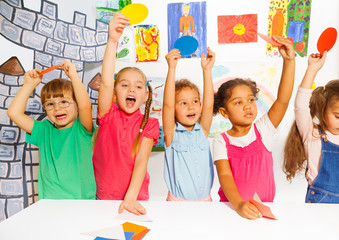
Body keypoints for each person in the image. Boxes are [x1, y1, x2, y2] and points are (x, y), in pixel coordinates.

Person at [213, 36, 295, 219]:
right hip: (231, 209)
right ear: (224, 113)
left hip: (264, 211)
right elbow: (224, 176)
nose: (247, 105)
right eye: (238, 102)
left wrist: (289, 61)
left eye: (250, 99)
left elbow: (283, 100)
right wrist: (239, 205)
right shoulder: (221, 140)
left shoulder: (263, 129)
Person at [92, 13, 159, 215]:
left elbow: (141, 163)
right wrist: (112, 41)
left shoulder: (149, 123)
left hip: (135, 198)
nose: (131, 90)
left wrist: (130, 199)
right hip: (103, 197)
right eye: (124, 85)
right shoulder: (108, 114)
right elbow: (105, 81)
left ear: (146, 95)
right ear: (114, 92)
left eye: (138, 86)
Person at [7, 60, 96, 199]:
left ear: (77, 105)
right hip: (49, 205)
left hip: (81, 204)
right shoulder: (44, 131)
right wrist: (29, 85)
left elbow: (85, 106)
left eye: (64, 102)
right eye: (50, 104)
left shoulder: (82, 129)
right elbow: (14, 113)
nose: (57, 108)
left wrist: (73, 76)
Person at [283, 52, 339, 203]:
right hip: (320, 203)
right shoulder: (313, 134)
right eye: (338, 117)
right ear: (322, 111)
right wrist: (312, 69)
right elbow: (301, 106)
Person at [163, 47, 215, 201]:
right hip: (178, 203)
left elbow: (208, 105)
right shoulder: (171, 133)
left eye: (194, 101)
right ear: (174, 109)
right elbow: (167, 105)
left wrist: (207, 70)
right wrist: (171, 68)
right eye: (183, 103)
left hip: (205, 200)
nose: (191, 107)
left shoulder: (203, 130)